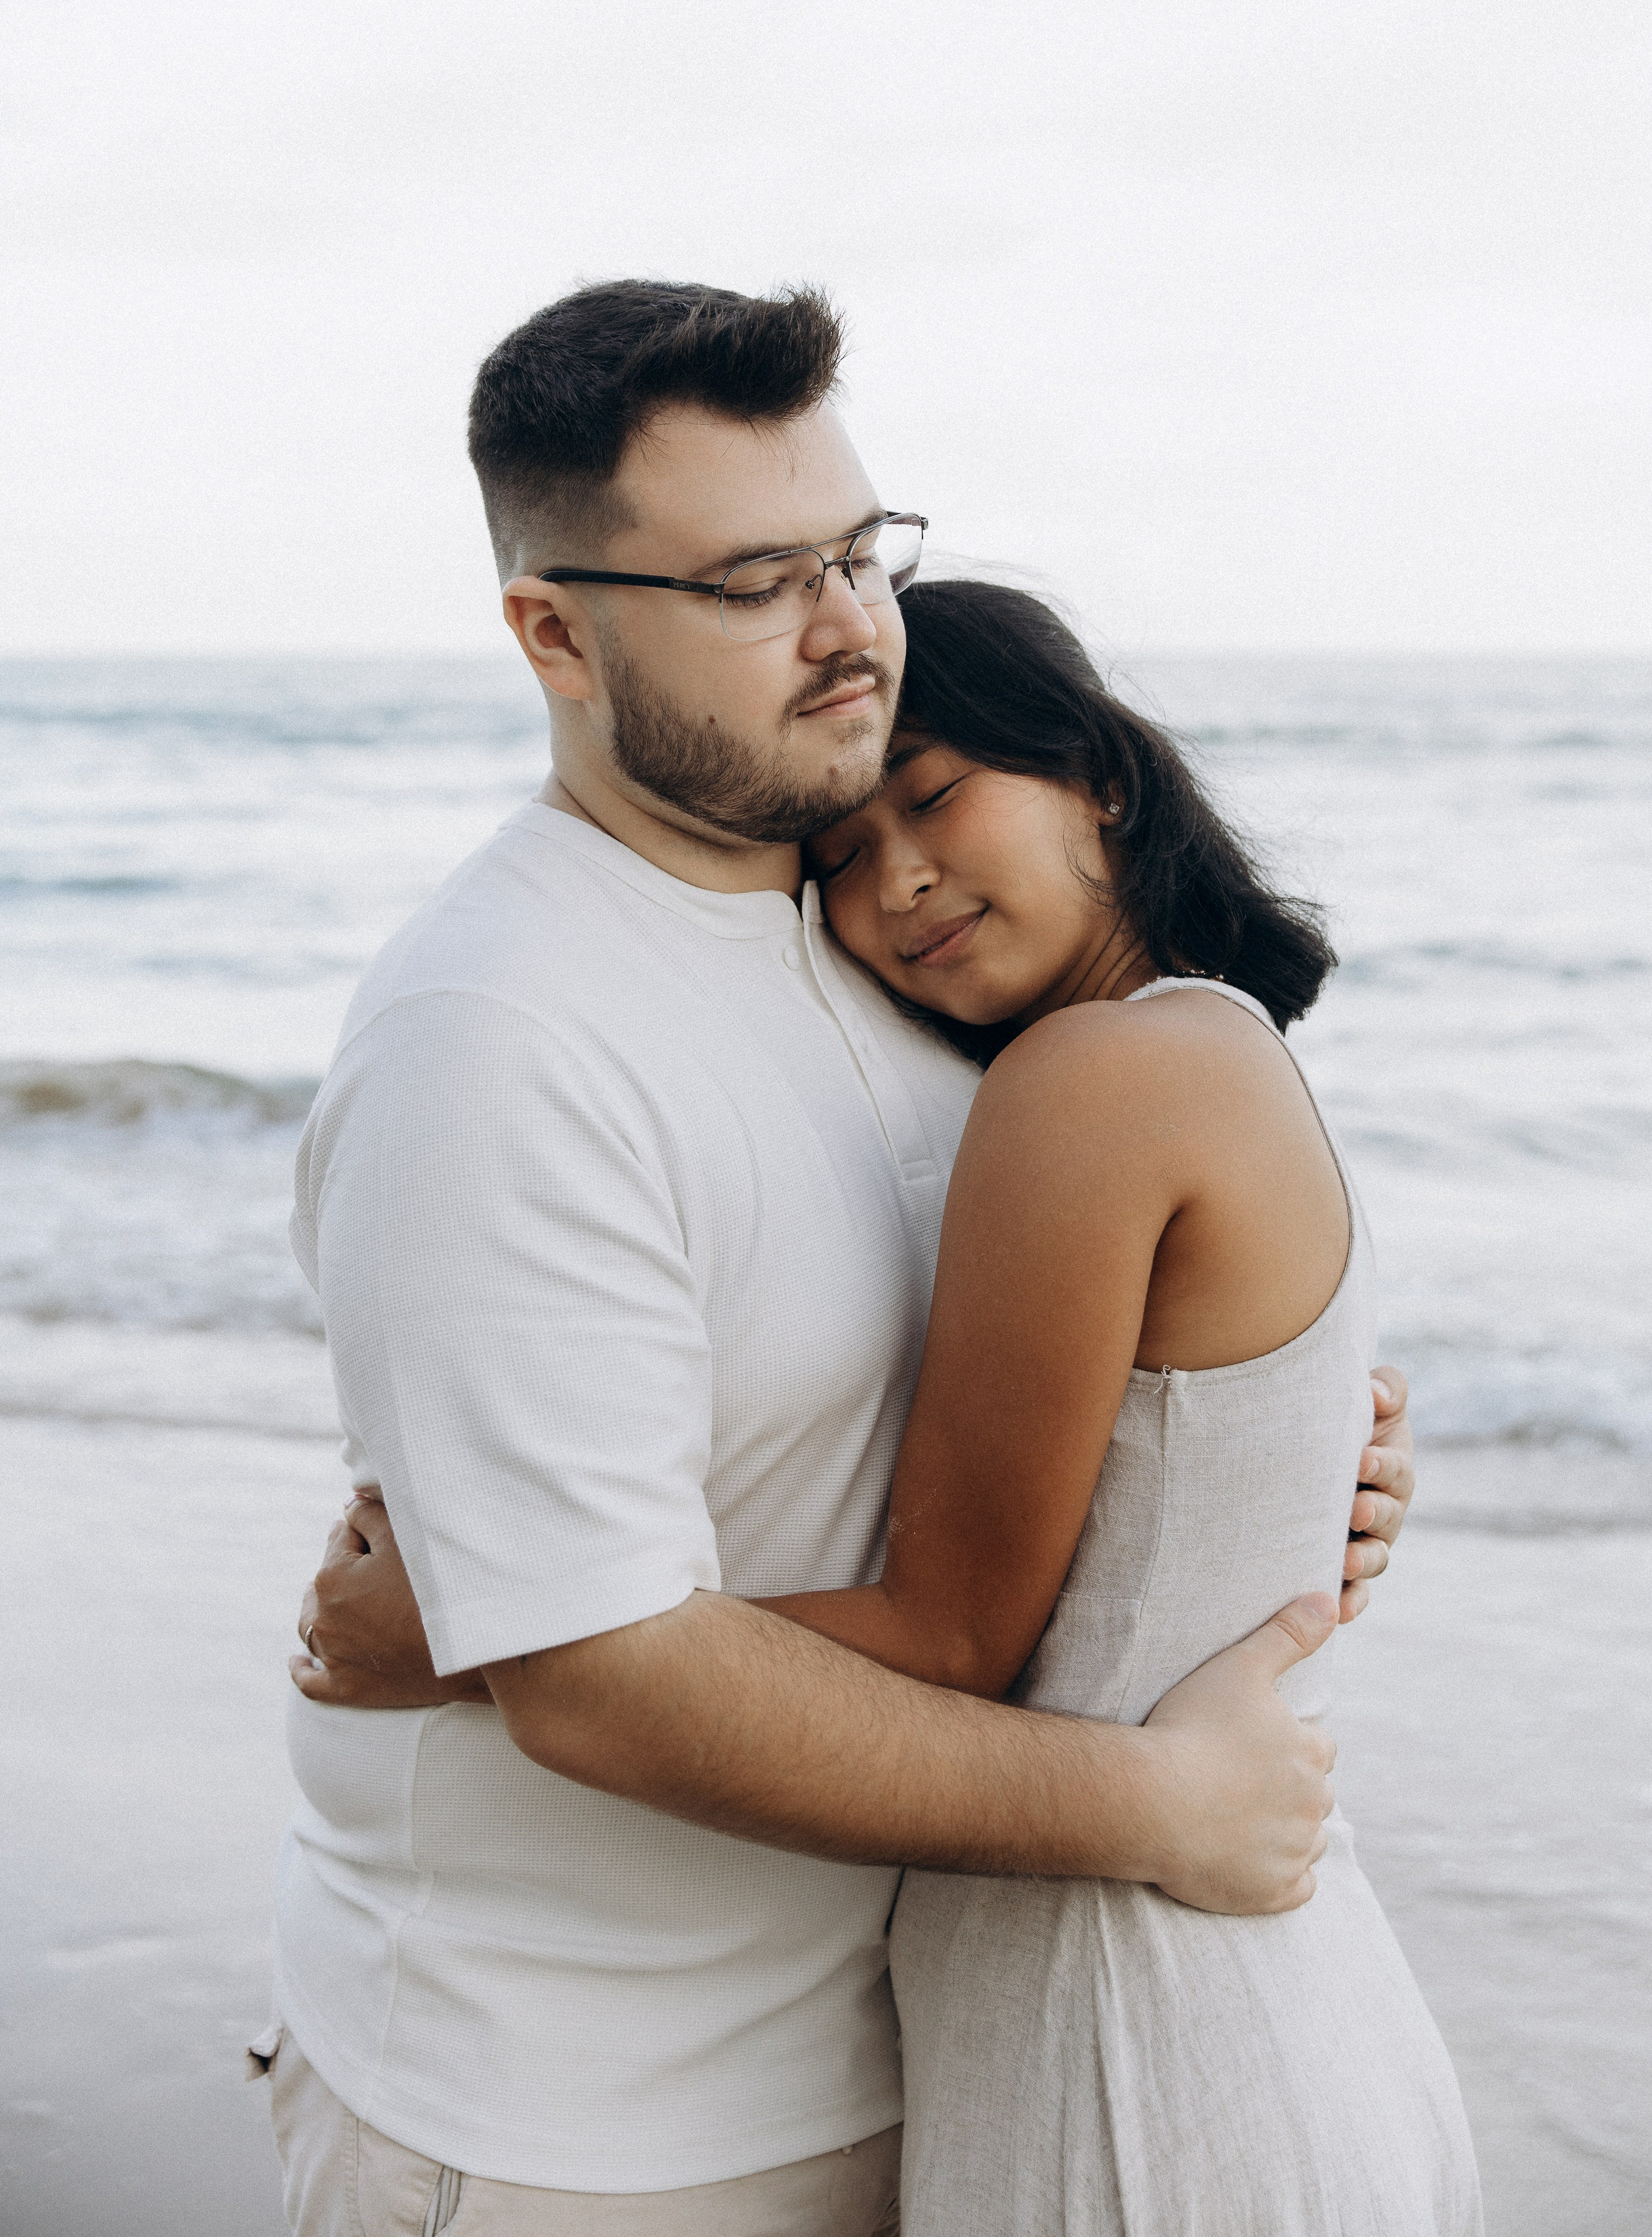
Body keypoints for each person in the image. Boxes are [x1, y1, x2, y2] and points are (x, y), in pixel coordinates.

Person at [263, 280, 1416, 2237]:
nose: (842, 627)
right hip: (574, 2126)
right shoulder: (503, 1036)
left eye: (857, 553)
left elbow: (1046, 1408)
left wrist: (1285, 1474)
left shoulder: (908, 972)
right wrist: (1152, 1802)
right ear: (554, 628)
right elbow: (600, 1679)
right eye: (748, 582)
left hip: (918, 2051)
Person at [759, 577, 1483, 2234]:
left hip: (1138, 2052)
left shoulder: (1091, 1077)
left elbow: (949, 1637)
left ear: (1098, 773)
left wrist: (479, 1635)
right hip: (1264, 2004)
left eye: (932, 793)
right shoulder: (1198, 1055)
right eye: (837, 860)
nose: (899, 880)